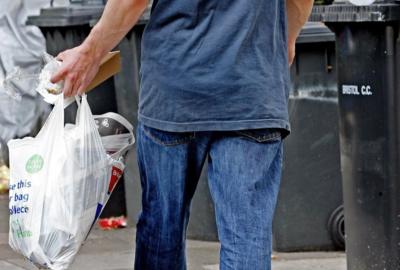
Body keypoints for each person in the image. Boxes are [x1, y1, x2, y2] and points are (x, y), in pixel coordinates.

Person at [51, 0, 313, 269]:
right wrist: (287, 35)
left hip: (175, 86)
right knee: (247, 234)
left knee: (162, 229)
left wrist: (90, 53)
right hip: (252, 85)